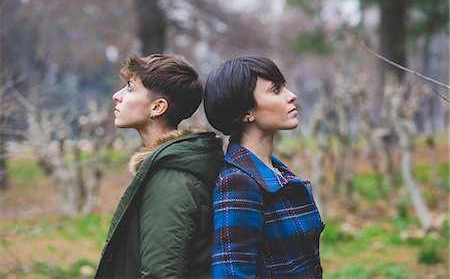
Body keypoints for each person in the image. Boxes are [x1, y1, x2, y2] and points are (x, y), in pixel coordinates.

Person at [95, 53, 224, 278]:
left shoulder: (171, 179)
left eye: (130, 88)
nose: (117, 96)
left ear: (157, 107)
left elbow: (161, 273)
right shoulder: (171, 166)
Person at [204, 56, 325, 278]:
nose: (292, 96)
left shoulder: (276, 171)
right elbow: (232, 274)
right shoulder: (238, 182)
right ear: (246, 112)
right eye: (276, 90)